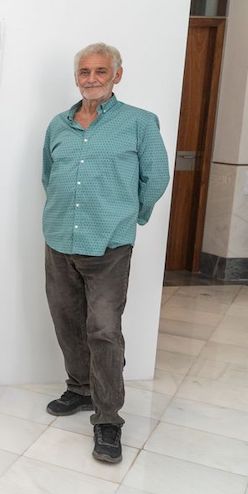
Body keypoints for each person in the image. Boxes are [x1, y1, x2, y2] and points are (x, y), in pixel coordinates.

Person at [41, 43, 169, 463]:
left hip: (109, 244)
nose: (91, 78)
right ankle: (80, 388)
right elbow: (49, 176)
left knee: (104, 330)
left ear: (117, 75)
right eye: (84, 71)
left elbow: (156, 177)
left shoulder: (139, 123)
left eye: (100, 71)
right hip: (60, 239)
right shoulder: (58, 125)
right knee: (67, 322)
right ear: (76, 77)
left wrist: (129, 216)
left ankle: (108, 418)